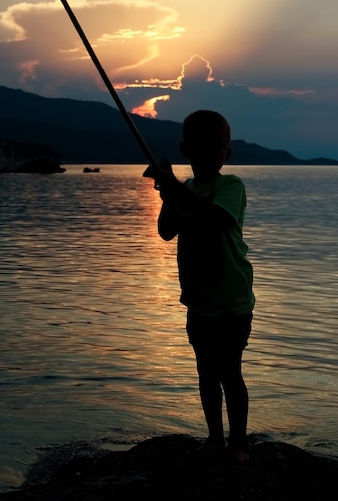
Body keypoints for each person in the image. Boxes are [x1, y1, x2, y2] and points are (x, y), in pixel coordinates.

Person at [145, 109, 254, 462]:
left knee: (230, 372)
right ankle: (215, 439)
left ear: (228, 153)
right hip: (198, 301)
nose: (209, 151)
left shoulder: (231, 186)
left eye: (216, 145)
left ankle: (238, 444)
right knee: (207, 372)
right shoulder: (188, 189)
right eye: (200, 145)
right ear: (185, 149)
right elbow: (166, 230)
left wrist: (176, 188)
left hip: (232, 300)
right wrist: (169, 197)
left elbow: (218, 217)